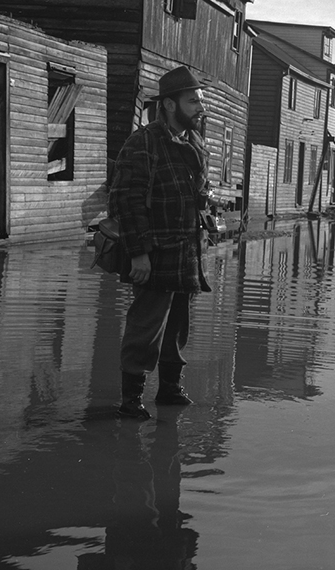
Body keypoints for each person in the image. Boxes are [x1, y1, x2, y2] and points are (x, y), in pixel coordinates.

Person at [108, 65, 212, 420]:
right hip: (153, 253)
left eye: (200, 100)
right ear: (169, 104)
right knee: (146, 325)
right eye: (192, 100)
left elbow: (194, 190)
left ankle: (169, 389)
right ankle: (131, 399)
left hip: (187, 251)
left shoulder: (194, 142)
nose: (200, 107)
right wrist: (138, 254)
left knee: (178, 326)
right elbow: (126, 199)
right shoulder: (143, 142)